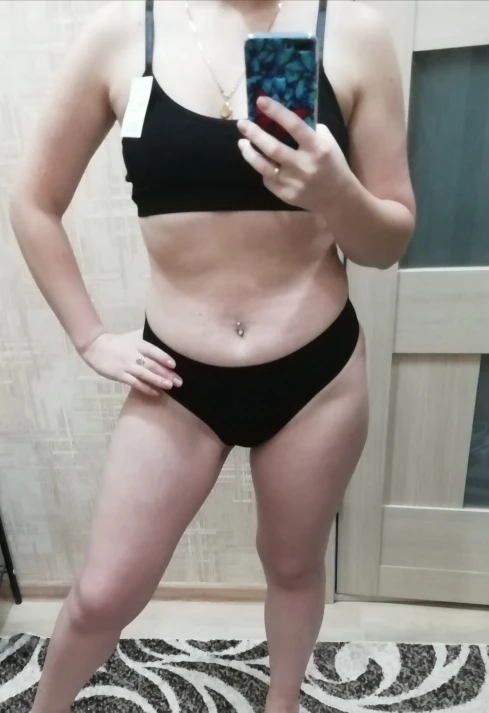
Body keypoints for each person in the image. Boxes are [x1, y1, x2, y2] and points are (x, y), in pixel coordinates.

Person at [10, 0, 415, 711]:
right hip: (177, 379)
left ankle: (280, 703)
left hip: (314, 376)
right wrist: (90, 336)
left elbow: (389, 241)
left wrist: (336, 194)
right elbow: (33, 201)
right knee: (102, 593)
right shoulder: (122, 32)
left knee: (292, 566)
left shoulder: (353, 32)